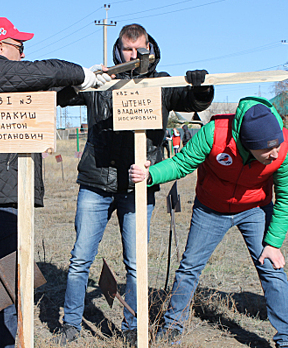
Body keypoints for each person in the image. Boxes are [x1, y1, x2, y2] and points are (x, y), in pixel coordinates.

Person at [52, 23, 214, 345]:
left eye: (140, 48)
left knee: (136, 263)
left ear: (150, 49)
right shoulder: (102, 83)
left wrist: (201, 87)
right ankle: (71, 323)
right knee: (80, 257)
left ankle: (130, 327)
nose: (134, 55)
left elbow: (194, 102)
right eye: (128, 49)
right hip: (96, 182)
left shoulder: (162, 84)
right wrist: (79, 78)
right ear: (119, 51)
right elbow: (62, 98)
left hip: (138, 184)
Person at [0, 17, 112, 348]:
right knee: (5, 291)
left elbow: (44, 89)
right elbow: (42, 72)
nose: (24, 54)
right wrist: (80, 72)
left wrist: (83, 86)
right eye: (19, 46)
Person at [129, 97, 288, 348]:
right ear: (248, 144)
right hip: (210, 208)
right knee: (189, 267)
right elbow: (181, 162)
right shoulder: (214, 134)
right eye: (267, 149)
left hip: (255, 208)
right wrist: (151, 174)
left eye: (277, 147)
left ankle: (287, 340)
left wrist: (273, 243)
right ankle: (172, 327)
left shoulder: (284, 148)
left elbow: (287, 196)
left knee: (271, 267)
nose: (274, 154)